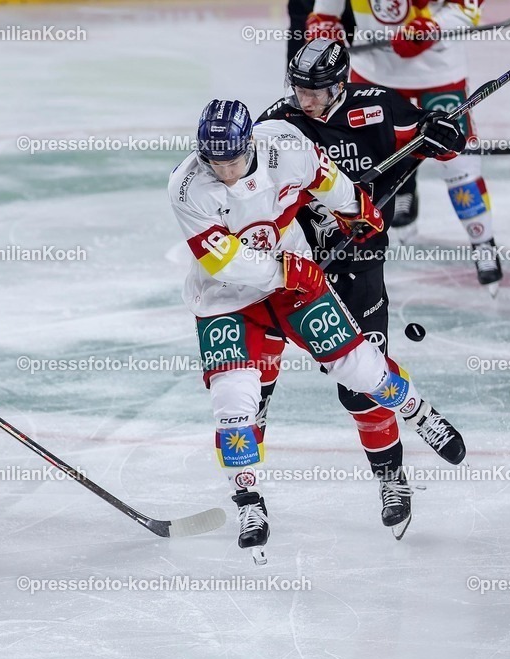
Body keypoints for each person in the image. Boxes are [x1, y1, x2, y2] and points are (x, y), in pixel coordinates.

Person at [169, 99, 466, 564]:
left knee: (357, 364)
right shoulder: (188, 187)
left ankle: (418, 411)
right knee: (235, 402)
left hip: (293, 282)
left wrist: (354, 208)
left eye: (232, 158)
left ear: (249, 144)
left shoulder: (284, 145)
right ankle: (248, 502)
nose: (224, 169)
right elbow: (222, 261)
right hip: (226, 298)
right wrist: (288, 270)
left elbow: (325, 178)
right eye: (215, 160)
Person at [256, 38, 466, 536]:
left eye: (315, 91)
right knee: (255, 382)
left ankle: (392, 479)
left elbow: (444, 141)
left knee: (359, 388)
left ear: (340, 84)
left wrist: (445, 134)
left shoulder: (377, 106)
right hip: (295, 266)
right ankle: (246, 493)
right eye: (299, 89)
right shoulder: (280, 122)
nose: (303, 99)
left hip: (361, 260)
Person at [307, 0, 502, 293]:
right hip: (373, 73)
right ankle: (404, 188)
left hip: (439, 75)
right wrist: (324, 26)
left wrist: (433, 27)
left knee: (458, 162)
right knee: (373, 157)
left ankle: (482, 240)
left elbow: (467, 6)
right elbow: (325, 12)